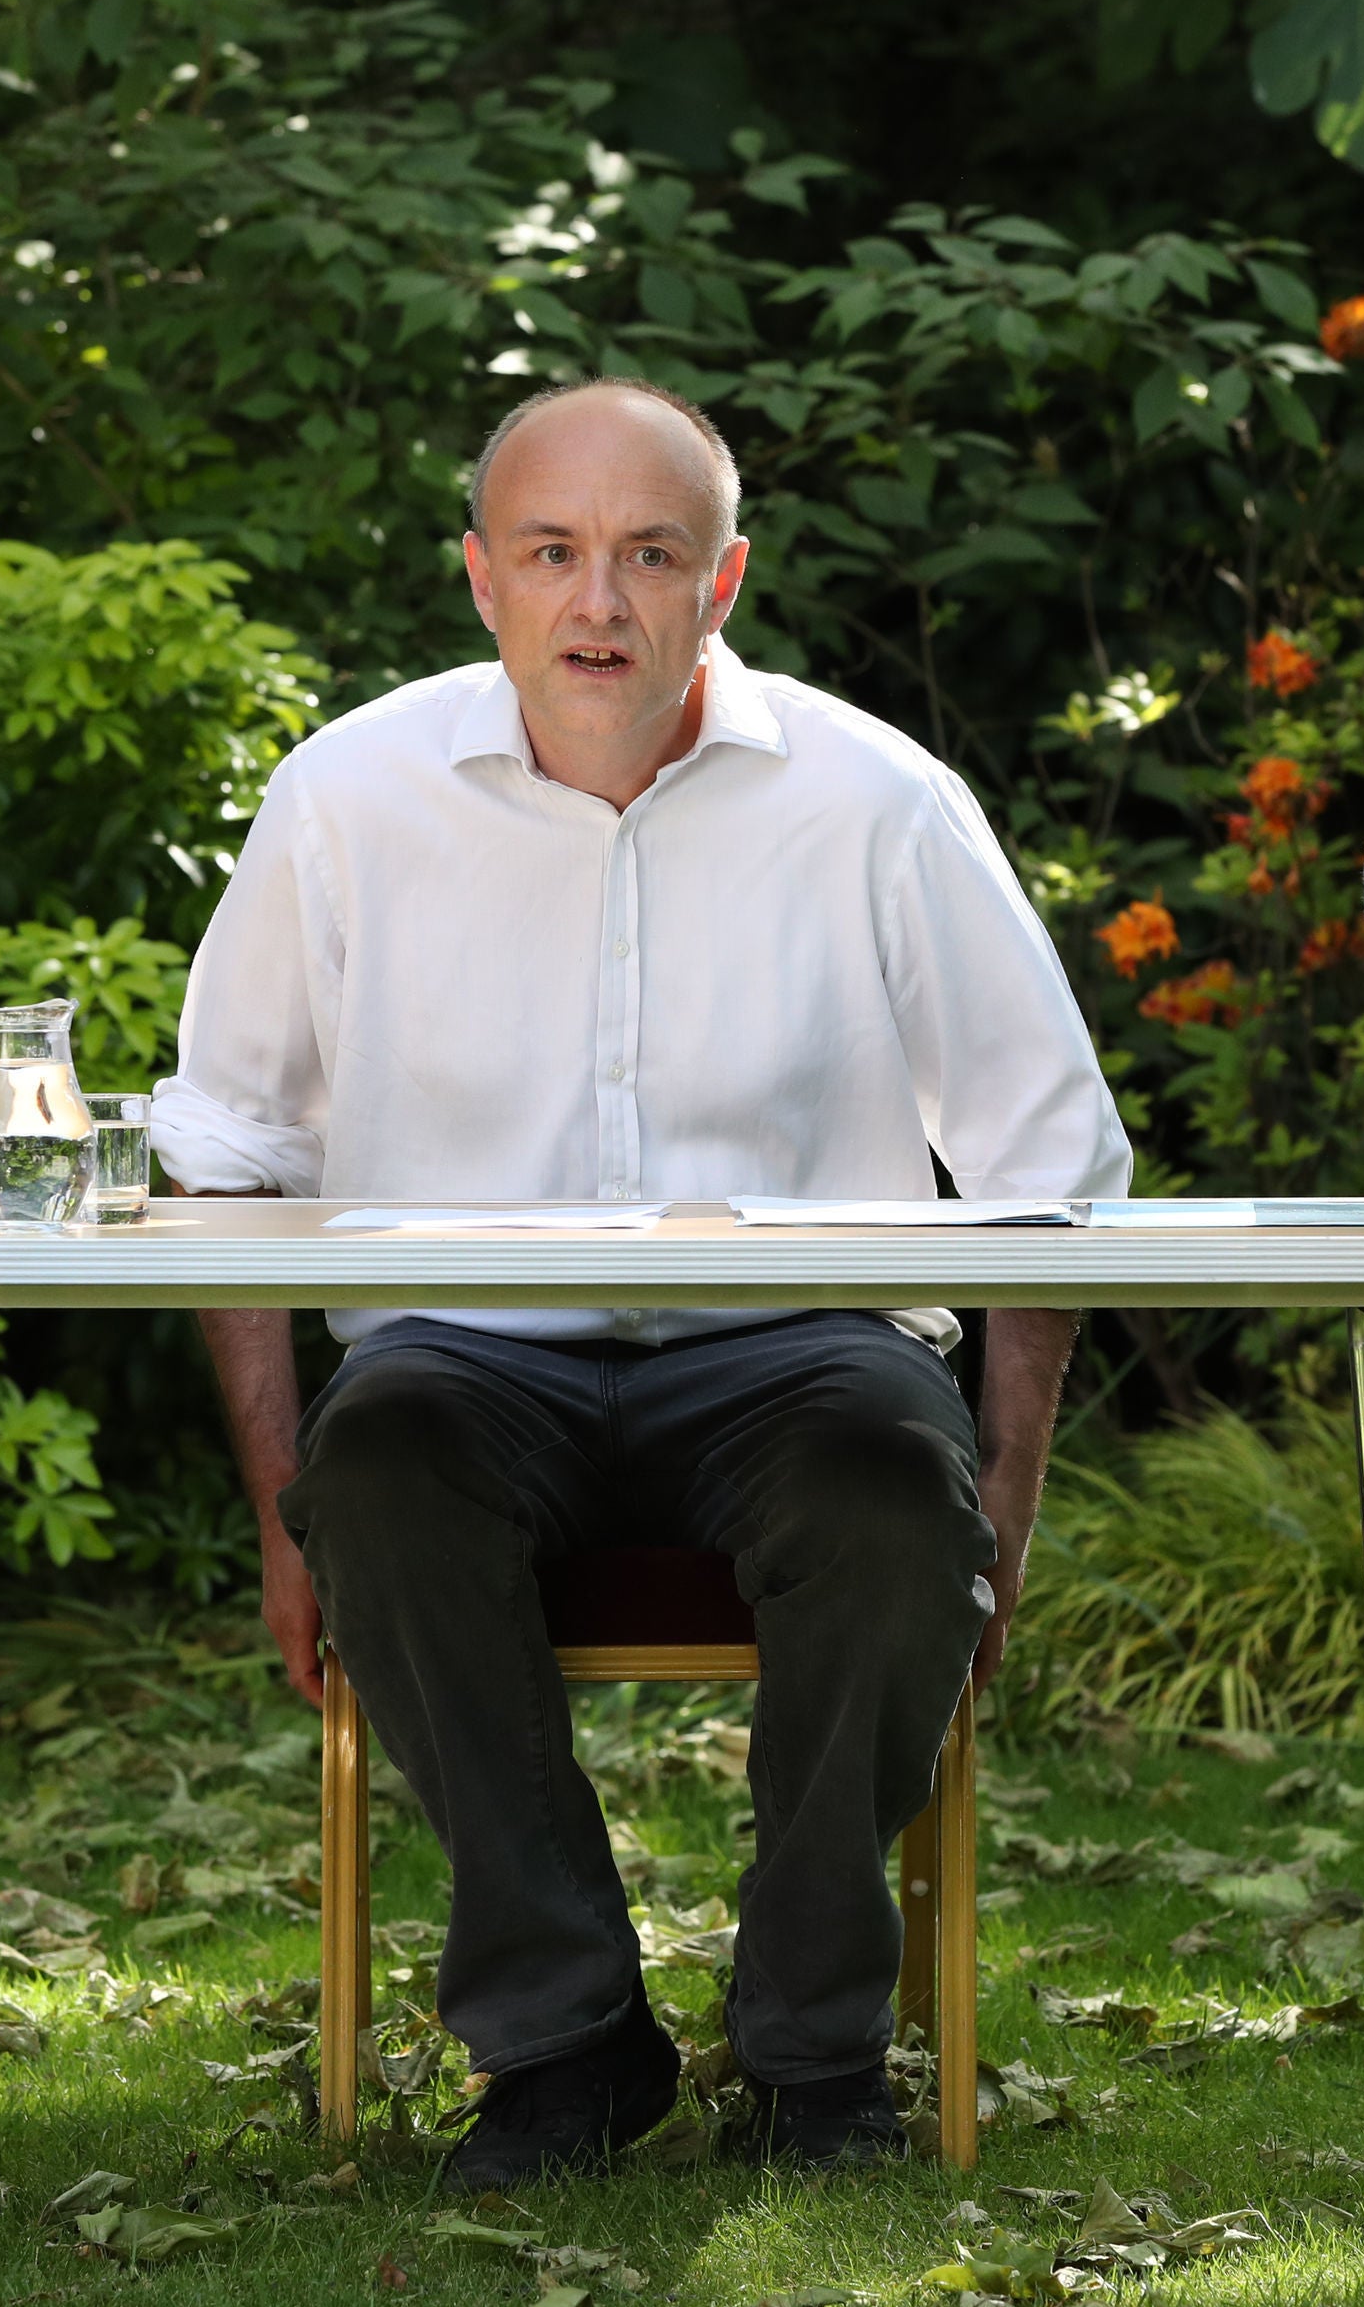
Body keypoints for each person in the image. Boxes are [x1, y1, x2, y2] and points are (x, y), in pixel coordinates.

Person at [150, 377, 1129, 2182]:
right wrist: (287, 1514)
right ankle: (569, 2040)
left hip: (798, 1364)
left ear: (724, 582)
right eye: (553, 553)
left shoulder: (879, 799)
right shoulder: (349, 796)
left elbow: (1049, 1167)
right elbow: (226, 1154)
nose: (600, 602)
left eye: (649, 554)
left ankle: (819, 2055)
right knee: (380, 1469)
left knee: (890, 1492)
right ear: (482, 582)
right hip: (467, 1370)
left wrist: (1002, 1502)